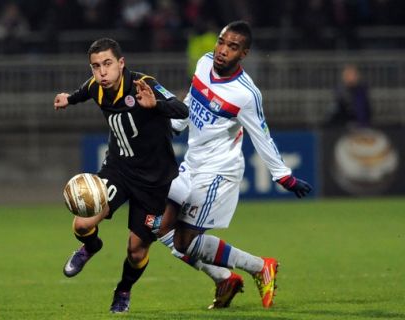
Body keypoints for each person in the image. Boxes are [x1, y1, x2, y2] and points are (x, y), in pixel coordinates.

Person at [156, 21, 312, 309]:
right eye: (221, 42)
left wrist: (284, 176)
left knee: (182, 240)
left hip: (218, 171)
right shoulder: (203, 64)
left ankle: (258, 266)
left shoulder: (245, 94)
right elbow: (191, 101)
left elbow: (262, 135)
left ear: (244, 54)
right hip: (191, 165)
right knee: (157, 225)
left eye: (233, 47)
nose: (222, 50)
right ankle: (225, 277)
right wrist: (176, 124)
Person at [53, 38, 188, 313]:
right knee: (81, 225)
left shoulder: (143, 84)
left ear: (121, 63)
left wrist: (156, 106)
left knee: (136, 250)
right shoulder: (96, 87)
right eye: (95, 66)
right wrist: (68, 98)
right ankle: (91, 247)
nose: (101, 72)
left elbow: (182, 110)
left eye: (107, 64)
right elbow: (84, 91)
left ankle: (123, 290)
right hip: (119, 170)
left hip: (154, 182)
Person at [328, 64, 372, 128]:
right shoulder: (339, 92)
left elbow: (365, 111)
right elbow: (335, 112)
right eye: (347, 75)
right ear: (343, 77)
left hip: (361, 126)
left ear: (357, 76)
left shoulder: (362, 92)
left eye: (352, 75)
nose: (350, 77)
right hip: (343, 126)